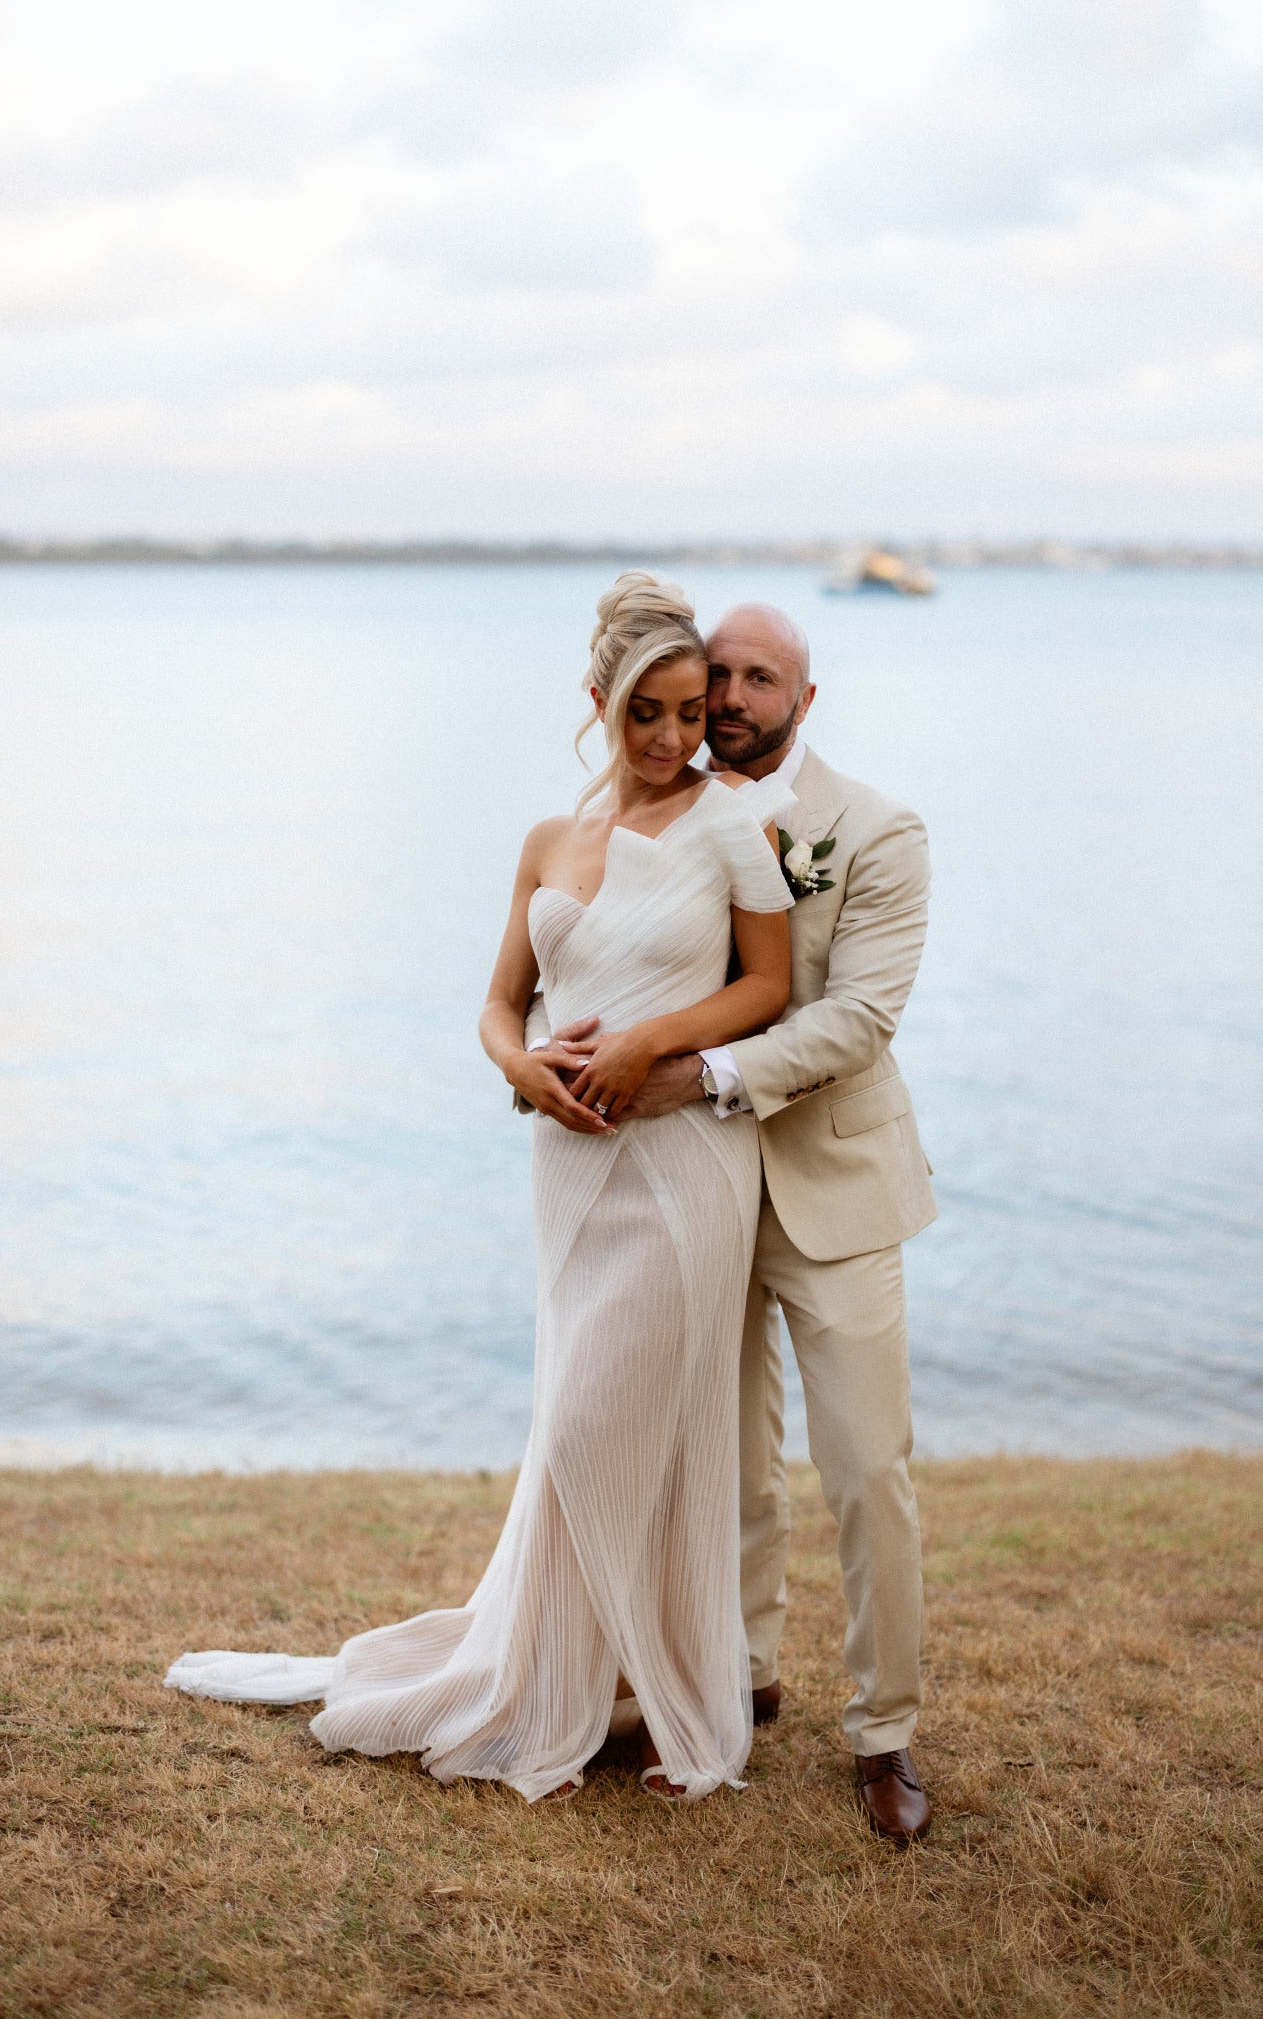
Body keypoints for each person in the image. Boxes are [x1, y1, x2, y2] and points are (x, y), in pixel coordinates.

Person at [165, 571, 794, 1804]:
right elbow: (501, 1002)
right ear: (596, 701)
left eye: (687, 712)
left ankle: (667, 1705)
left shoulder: (729, 823)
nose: (672, 739)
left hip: (679, 1163)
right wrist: (523, 1066)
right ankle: (584, 1678)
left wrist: (640, 1042)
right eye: (645, 714)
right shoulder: (547, 842)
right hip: (567, 1165)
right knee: (577, 1418)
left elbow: (765, 988)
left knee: (618, 1432)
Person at [534, 603, 938, 1843]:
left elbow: (856, 1017)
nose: (730, 697)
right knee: (724, 1459)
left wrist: (692, 1072)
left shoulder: (875, 829)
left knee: (865, 1466)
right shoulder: (670, 815)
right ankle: (741, 1677)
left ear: (804, 699)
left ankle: (885, 1732)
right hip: (691, 1188)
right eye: (719, 675)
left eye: (760, 678)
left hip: (827, 1181)